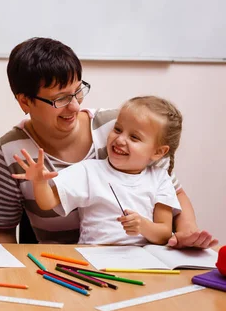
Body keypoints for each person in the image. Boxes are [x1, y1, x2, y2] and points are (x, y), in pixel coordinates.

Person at [0, 37, 217, 248]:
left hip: (143, 258)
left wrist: (187, 232)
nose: (75, 106)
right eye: (60, 99)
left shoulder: (119, 128)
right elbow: (0, 231)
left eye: (78, 91)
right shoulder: (9, 152)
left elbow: (172, 190)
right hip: (63, 264)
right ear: (25, 102)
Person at [13, 96, 182, 245]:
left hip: (144, 263)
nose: (120, 139)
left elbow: (164, 233)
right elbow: (47, 202)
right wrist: (39, 182)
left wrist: (143, 226)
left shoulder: (160, 179)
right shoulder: (88, 170)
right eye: (117, 129)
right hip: (95, 260)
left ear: (158, 152)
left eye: (134, 137)